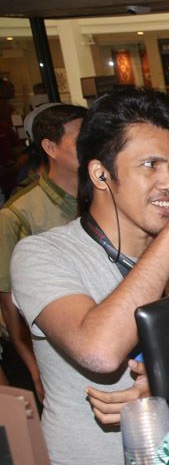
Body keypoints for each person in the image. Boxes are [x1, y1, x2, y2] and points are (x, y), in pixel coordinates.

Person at [9, 89, 169, 465]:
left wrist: (168, 388)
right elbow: (99, 350)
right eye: (150, 166)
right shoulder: (43, 255)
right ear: (101, 174)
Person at [0, 104, 87, 405]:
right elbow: (9, 303)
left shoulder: (101, 196)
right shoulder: (18, 213)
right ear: (50, 147)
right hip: (46, 344)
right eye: (81, 138)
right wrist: (34, 368)